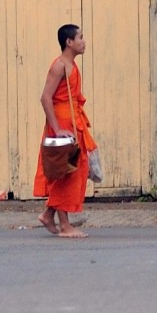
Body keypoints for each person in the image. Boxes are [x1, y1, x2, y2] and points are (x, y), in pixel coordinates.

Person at [34, 22, 94, 238]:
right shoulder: (59, 65)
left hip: (73, 122)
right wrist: (57, 129)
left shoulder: (72, 66)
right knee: (64, 173)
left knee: (73, 171)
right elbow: (45, 97)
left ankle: (49, 215)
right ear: (69, 42)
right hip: (61, 124)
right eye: (80, 38)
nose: (84, 41)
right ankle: (65, 226)